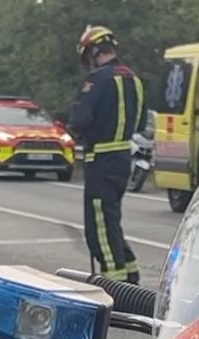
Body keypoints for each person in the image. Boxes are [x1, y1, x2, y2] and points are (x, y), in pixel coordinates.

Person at [68, 25, 146, 284]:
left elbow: (80, 121)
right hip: (124, 159)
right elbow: (142, 120)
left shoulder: (98, 79)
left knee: (98, 230)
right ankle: (131, 274)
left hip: (100, 161)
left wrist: (73, 128)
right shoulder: (133, 78)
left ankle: (115, 287)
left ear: (93, 51)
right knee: (111, 223)